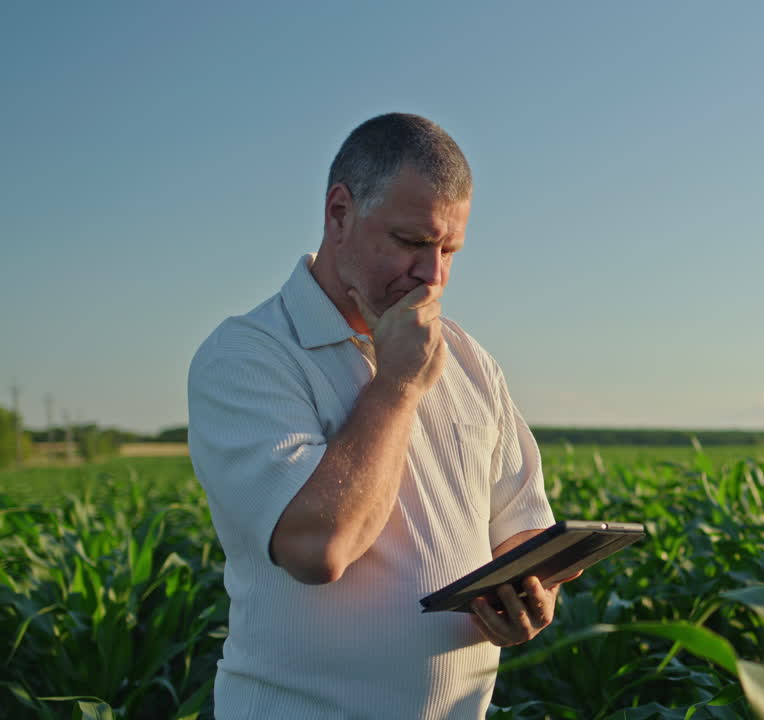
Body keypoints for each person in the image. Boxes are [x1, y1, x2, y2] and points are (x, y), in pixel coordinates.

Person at [188, 113, 573, 719]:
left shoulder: (470, 361)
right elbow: (319, 547)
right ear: (339, 214)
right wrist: (396, 386)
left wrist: (530, 593)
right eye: (413, 242)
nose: (434, 275)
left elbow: (519, 524)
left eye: (450, 249)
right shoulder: (247, 356)